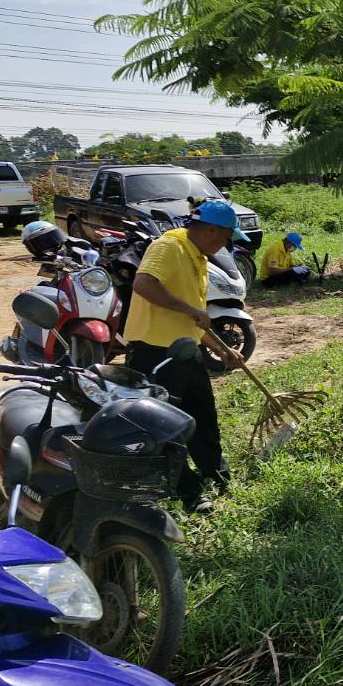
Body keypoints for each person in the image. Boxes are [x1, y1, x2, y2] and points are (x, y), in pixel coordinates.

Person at [125, 199, 244, 513]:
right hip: (155, 354)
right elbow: (143, 283)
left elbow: (194, 320)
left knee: (203, 417)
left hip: (184, 352)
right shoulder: (169, 247)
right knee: (165, 427)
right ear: (211, 230)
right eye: (225, 236)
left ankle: (215, 474)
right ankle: (189, 493)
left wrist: (222, 349)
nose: (225, 243)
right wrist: (190, 309)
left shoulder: (199, 257)